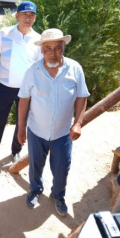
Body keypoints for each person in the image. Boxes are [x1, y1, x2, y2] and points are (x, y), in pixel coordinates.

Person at [17, 28, 89, 217]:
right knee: (35, 164)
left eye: (57, 48)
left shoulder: (75, 69)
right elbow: (24, 99)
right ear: (41, 50)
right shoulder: (32, 71)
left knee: (61, 168)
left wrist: (78, 123)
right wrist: (21, 126)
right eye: (48, 49)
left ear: (63, 47)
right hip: (36, 130)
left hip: (63, 132)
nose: (53, 53)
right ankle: (35, 190)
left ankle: (58, 196)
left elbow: (82, 96)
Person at [0, 0, 42, 166]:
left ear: (35, 18)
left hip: (27, 90)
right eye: (25, 14)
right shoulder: (4, 33)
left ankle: (16, 151)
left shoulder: (38, 39)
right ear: (17, 16)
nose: (28, 18)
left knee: (21, 123)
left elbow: (39, 67)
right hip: (5, 88)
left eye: (32, 15)